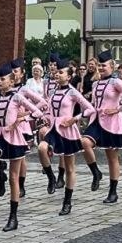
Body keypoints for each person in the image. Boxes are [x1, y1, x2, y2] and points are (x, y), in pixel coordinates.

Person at [0, 60, 48, 231]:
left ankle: (13, 217)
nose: (0, 81)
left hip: (15, 138)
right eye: (0, 79)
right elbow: (1, 116)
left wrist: (21, 118)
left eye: (3, 79)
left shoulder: (17, 96)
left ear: (11, 81)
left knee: (14, 178)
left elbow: (38, 111)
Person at [38, 60, 95, 214]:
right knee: (42, 148)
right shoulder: (53, 92)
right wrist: (45, 117)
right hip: (53, 129)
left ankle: (67, 201)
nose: (57, 74)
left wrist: (75, 119)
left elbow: (90, 109)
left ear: (69, 77)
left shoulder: (72, 92)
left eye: (61, 72)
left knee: (70, 168)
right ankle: (51, 177)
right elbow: (49, 110)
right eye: (57, 72)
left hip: (67, 131)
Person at [84, 51, 122, 203]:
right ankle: (96, 172)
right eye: (99, 65)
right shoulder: (95, 83)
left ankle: (113, 191)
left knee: (111, 157)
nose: (101, 68)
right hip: (97, 120)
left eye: (104, 65)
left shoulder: (116, 82)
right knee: (85, 142)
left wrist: (118, 108)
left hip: (112, 123)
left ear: (112, 67)